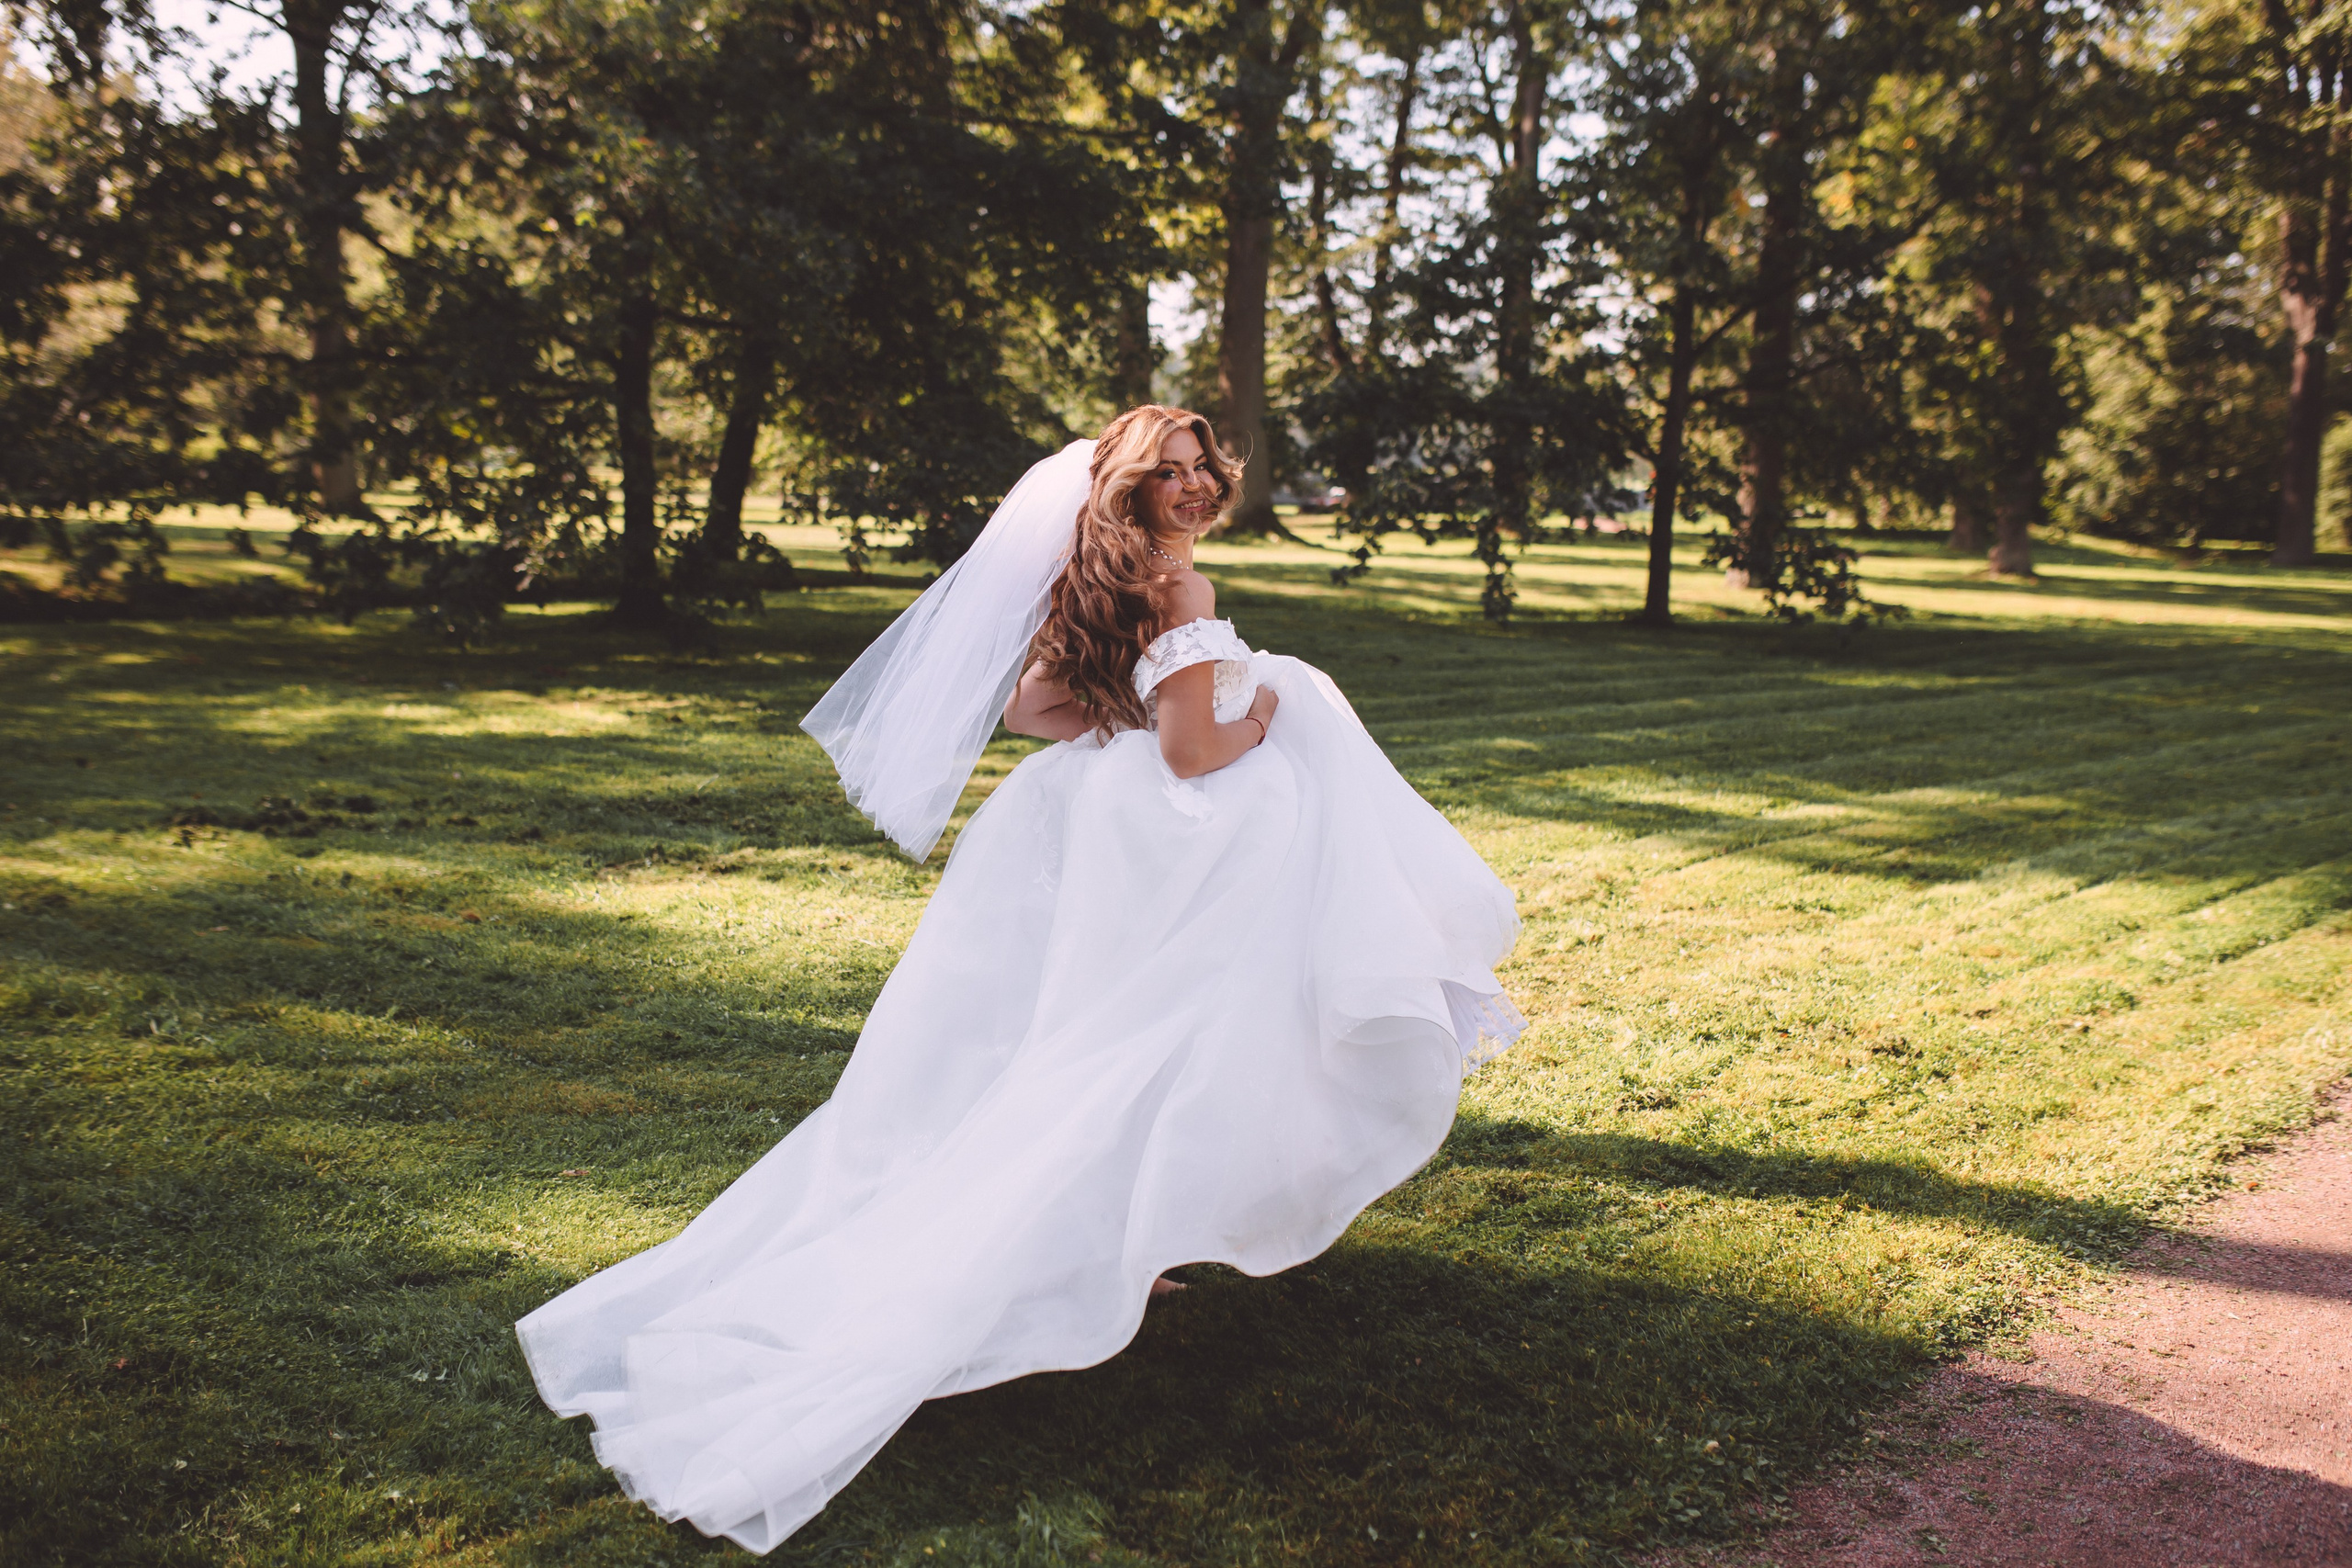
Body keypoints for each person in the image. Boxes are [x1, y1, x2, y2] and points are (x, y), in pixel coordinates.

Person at [514, 405, 1524, 1553]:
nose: (1196, 488)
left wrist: (1134, 711)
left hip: (1088, 832)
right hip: (1184, 843)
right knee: (1168, 1043)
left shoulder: (1100, 577)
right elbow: (1196, 751)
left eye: (1204, 469)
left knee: (1070, 1041)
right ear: (1131, 489)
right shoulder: (1178, 592)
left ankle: (1120, 1242)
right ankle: (1094, 1237)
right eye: (1171, 475)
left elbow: (1031, 707)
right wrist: (1268, 714)